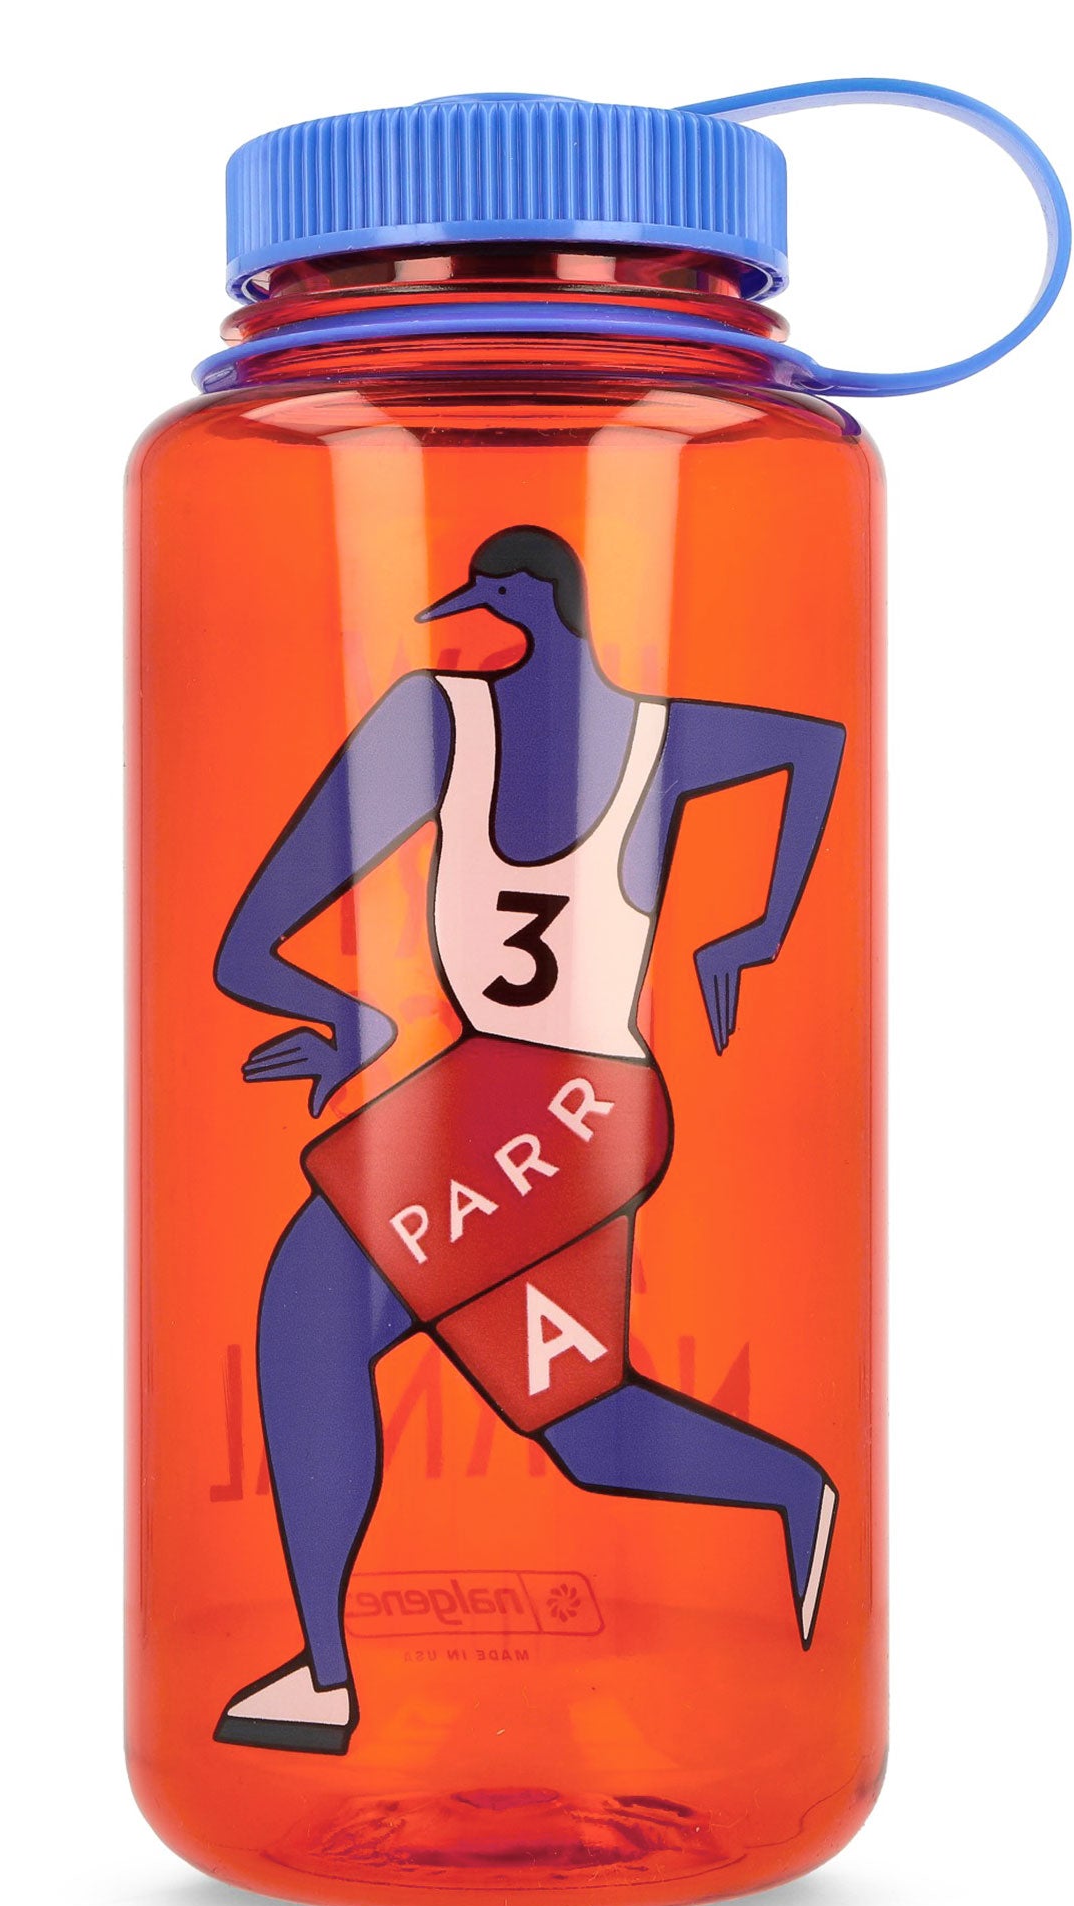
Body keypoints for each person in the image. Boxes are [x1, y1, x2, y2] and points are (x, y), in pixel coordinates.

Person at [211, 526, 847, 1754]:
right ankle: (790, 1488)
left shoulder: (647, 737)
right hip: (524, 1093)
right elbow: (252, 936)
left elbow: (812, 744)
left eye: (489, 596)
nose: (466, 619)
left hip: (562, 1100)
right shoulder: (436, 722)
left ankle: (324, 1678)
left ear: (540, 603)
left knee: (310, 1312)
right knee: (582, 1426)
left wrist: (758, 932)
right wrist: (351, 1017)